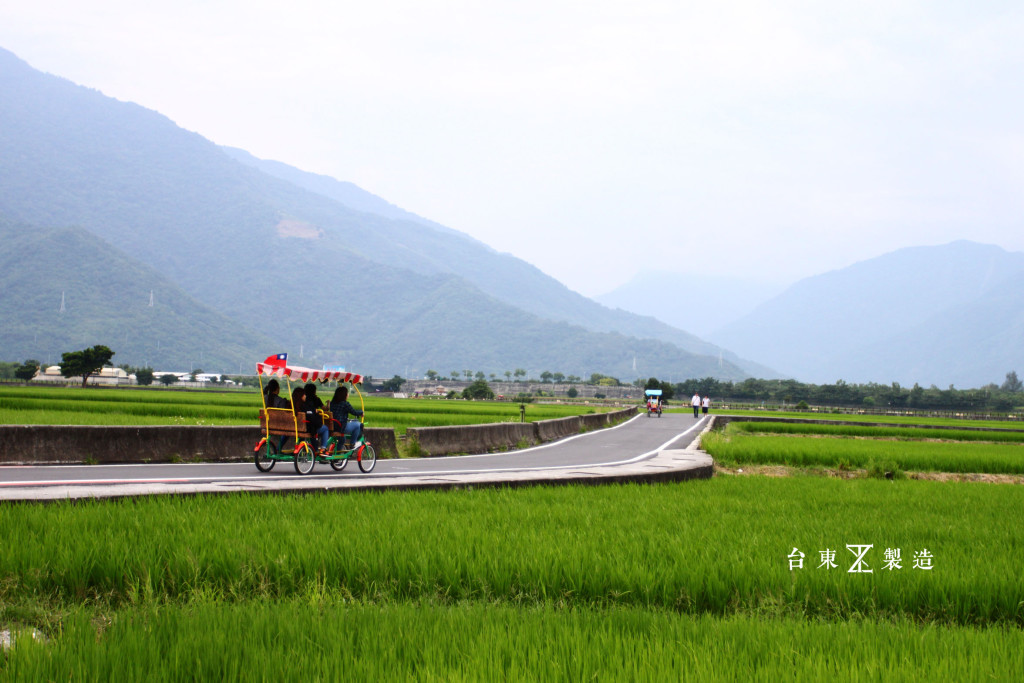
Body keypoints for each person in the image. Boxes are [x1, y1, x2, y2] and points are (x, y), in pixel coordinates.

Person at [302, 382, 330, 454]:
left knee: (313, 428)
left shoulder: (302, 401)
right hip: (310, 425)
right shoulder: (316, 399)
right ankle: (323, 448)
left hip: (301, 425)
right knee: (325, 428)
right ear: (314, 391)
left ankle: (315, 449)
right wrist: (328, 403)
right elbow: (325, 409)